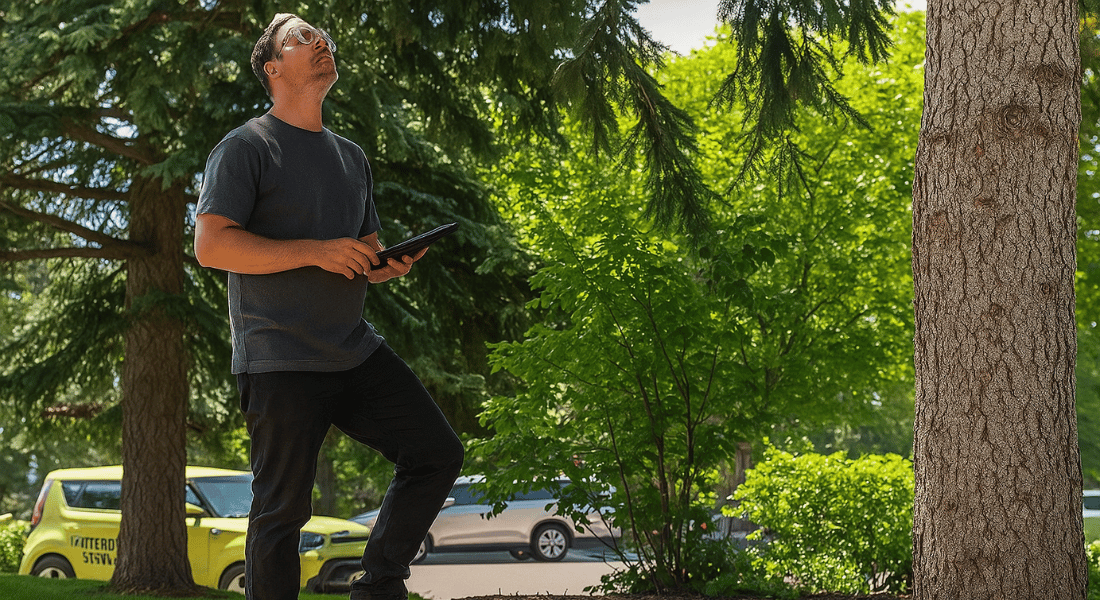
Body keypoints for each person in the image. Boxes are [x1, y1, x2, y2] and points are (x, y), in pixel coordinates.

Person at [193, 13, 464, 600]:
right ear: (272, 67)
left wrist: (380, 264)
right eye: (302, 37)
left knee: (436, 452)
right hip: (280, 358)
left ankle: (379, 585)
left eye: (324, 37)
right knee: (280, 514)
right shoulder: (245, 147)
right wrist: (316, 251)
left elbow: (356, 253)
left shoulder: (350, 157)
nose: (321, 42)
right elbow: (212, 245)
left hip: (352, 350)